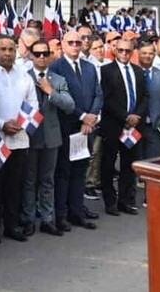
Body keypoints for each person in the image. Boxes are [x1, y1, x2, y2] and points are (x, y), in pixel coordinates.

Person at [21, 39, 74, 236]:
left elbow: (69, 105)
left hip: (51, 136)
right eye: (37, 54)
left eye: (45, 53)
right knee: (29, 180)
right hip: (29, 135)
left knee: (47, 179)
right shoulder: (23, 76)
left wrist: (50, 91)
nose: (42, 57)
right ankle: (27, 218)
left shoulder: (58, 79)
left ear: (51, 55)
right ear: (30, 56)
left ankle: (47, 218)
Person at [50, 30, 101, 232]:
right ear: (63, 44)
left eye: (78, 42)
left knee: (80, 170)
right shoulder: (56, 66)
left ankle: (77, 211)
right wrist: (82, 116)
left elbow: (98, 94)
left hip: (86, 128)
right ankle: (61, 215)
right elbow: (63, 100)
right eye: (70, 42)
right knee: (64, 172)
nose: (74, 46)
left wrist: (91, 117)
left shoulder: (89, 67)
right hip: (67, 126)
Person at [0, 36, 37, 240]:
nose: (7, 53)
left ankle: (11, 225)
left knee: (15, 184)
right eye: (3, 49)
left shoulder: (24, 75)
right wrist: (2, 124)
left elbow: (33, 104)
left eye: (11, 49)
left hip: (19, 138)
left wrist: (20, 124)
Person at [97, 36, 147, 216]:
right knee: (108, 164)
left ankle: (126, 200)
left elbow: (144, 97)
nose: (125, 54)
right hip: (113, 125)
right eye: (121, 50)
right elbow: (106, 99)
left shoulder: (139, 71)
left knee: (129, 164)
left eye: (128, 50)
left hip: (134, 127)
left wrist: (137, 116)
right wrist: (125, 116)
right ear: (115, 51)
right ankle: (110, 202)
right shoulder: (106, 71)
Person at [137, 41, 160, 160]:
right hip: (135, 125)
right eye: (144, 53)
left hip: (155, 125)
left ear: (154, 54)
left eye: (150, 53)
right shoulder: (132, 72)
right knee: (135, 159)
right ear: (138, 54)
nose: (147, 56)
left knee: (153, 159)